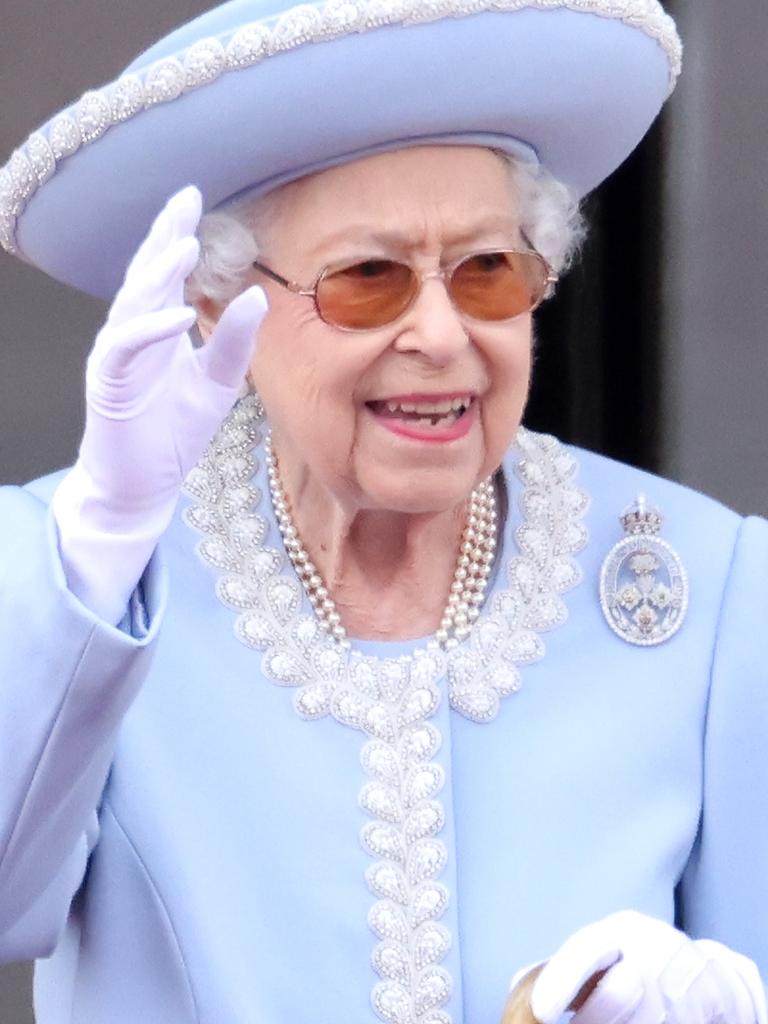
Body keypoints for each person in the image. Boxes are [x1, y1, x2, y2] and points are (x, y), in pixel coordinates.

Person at [0, 1, 766, 1023]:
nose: (442, 335)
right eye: (370, 279)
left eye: (489, 272)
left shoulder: (711, 585)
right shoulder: (76, 568)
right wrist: (99, 538)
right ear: (221, 304)